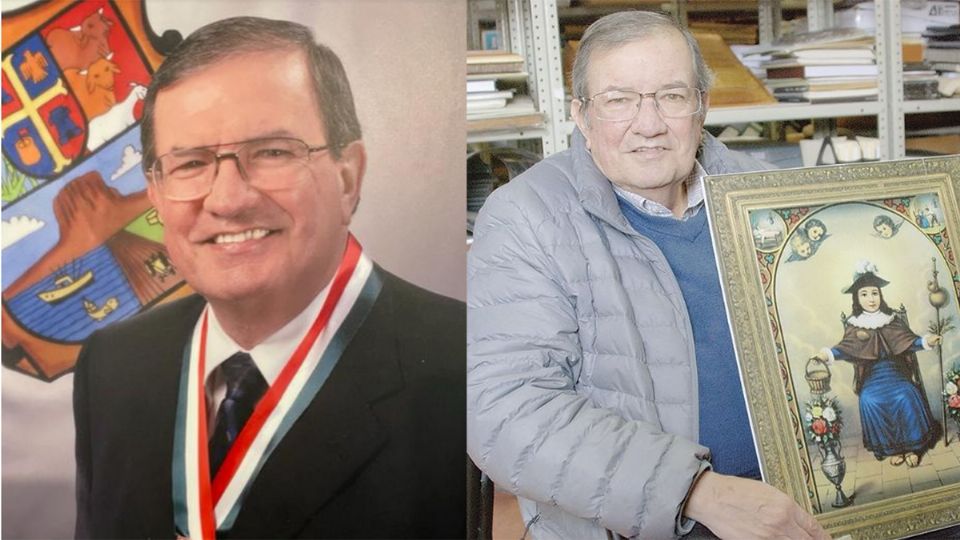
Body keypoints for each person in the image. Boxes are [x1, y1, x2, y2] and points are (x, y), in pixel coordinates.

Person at [73, 17, 464, 539]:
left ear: (349, 176)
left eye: (273, 152)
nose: (229, 199)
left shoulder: (464, 366)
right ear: (157, 195)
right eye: (191, 163)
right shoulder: (111, 365)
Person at [467, 11, 829, 540]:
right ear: (582, 116)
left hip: (812, 497)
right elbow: (506, 414)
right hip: (652, 523)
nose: (649, 123)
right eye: (618, 100)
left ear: (702, 106)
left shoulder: (773, 199)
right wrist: (697, 492)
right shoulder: (526, 217)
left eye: (672, 96)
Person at [814, 261, 941, 468]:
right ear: (857, 298)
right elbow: (843, 348)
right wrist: (826, 354)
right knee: (870, 400)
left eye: (874, 293)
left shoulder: (892, 319)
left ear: (880, 295)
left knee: (906, 394)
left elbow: (910, 341)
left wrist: (927, 341)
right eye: (864, 294)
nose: (870, 299)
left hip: (896, 373)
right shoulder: (855, 325)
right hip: (872, 378)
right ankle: (895, 448)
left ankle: (912, 448)